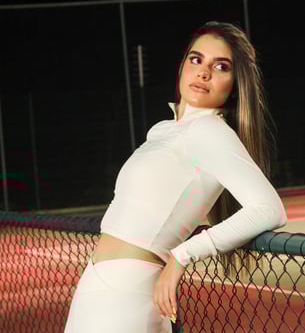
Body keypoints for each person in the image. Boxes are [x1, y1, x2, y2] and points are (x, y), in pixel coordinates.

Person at [64, 21, 287, 332]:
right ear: (183, 66)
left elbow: (269, 209)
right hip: (96, 284)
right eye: (196, 59)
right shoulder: (163, 130)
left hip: (129, 295)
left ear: (235, 85)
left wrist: (183, 255)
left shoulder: (210, 130)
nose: (204, 72)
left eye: (220, 67)